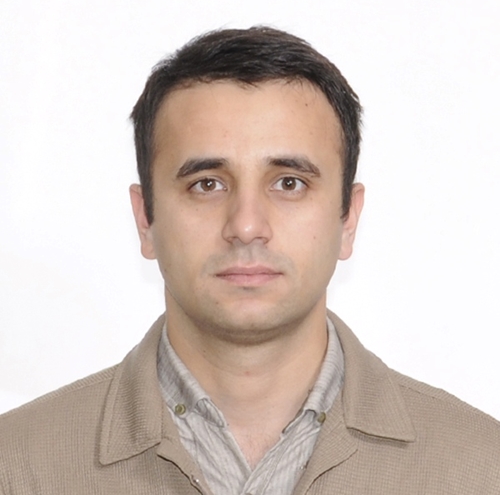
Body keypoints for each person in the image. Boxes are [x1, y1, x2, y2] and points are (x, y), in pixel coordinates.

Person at [0, 26, 499, 495]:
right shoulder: (17, 467)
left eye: (289, 183)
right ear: (145, 219)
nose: (245, 225)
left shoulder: (481, 468)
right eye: (206, 184)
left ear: (348, 219)